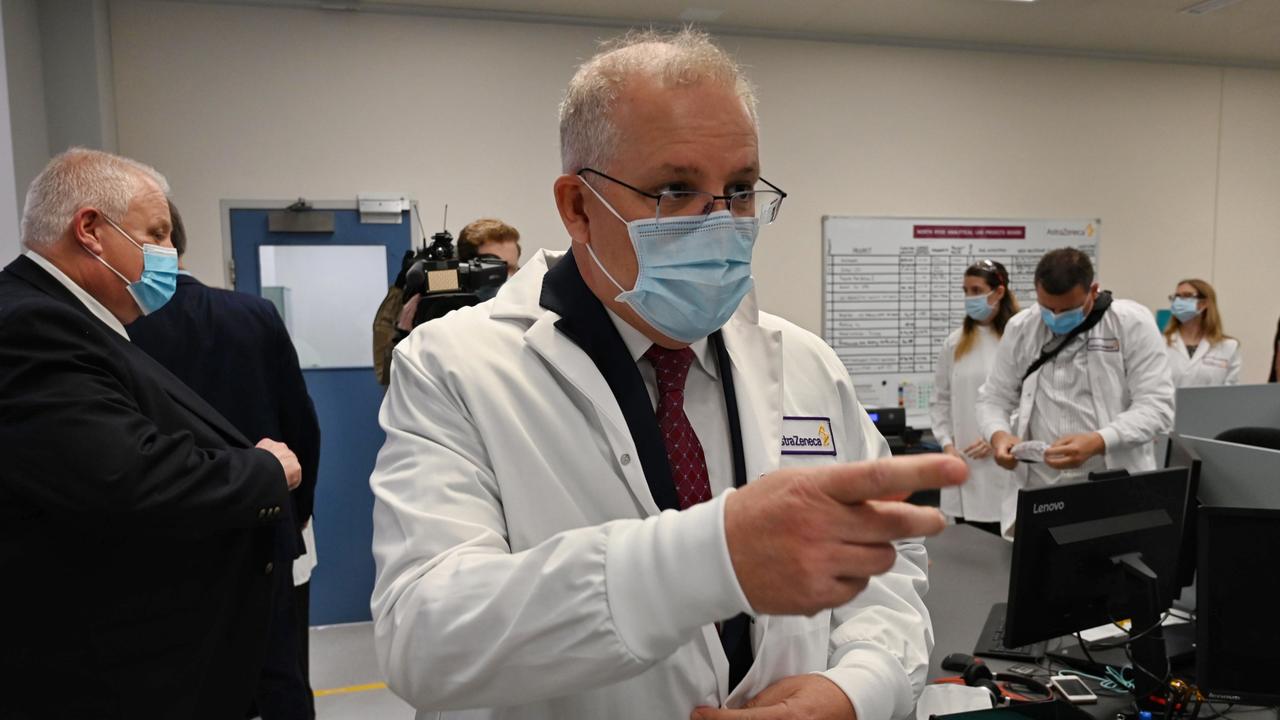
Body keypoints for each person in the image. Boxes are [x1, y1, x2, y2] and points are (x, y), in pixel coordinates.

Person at [369, 29, 965, 720]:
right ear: (578, 207)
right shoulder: (453, 368)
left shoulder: (805, 364)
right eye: (676, 189)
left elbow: (884, 574)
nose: (721, 222)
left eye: (740, 189)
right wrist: (711, 559)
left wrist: (855, 689)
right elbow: (426, 636)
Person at [0, 148, 302, 718]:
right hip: (96, 671)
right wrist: (260, 471)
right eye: (157, 233)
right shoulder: (34, 324)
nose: (169, 252)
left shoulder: (76, 320)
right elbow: (124, 474)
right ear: (90, 229)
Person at [128, 200, 322, 719]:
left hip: (164, 542)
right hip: (261, 530)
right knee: (280, 675)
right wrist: (294, 512)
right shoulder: (252, 314)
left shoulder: (117, 332)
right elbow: (301, 425)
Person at [975, 248, 1174, 537]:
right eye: (1047, 307)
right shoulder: (1021, 328)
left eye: (1066, 309)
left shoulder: (1132, 323)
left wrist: (1098, 441)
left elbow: (1156, 407)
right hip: (1040, 487)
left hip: (1110, 482)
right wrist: (999, 435)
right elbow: (993, 397)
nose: (1054, 317)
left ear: (1093, 290)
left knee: (1113, 571)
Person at [930, 259, 1019, 535]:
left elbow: (1026, 400)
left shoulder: (1017, 340)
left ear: (999, 292)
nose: (970, 298)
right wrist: (946, 444)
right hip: (963, 465)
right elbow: (940, 400)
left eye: (976, 290)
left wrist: (1000, 436)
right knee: (968, 548)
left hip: (1003, 464)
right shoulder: (955, 342)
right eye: (966, 291)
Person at [1163, 278, 1240, 387]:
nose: (1179, 301)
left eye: (1186, 295)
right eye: (1176, 297)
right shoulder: (1160, 344)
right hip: (1170, 404)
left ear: (1204, 303)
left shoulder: (1228, 346)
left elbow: (1232, 392)